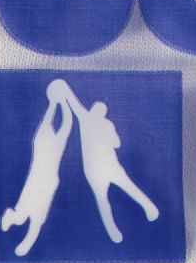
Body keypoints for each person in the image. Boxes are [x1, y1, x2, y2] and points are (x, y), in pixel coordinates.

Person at [51, 79, 159, 243]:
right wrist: (63, 88)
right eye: (97, 109)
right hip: (98, 169)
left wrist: (63, 89)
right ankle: (120, 227)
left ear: (101, 112)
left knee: (113, 195)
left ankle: (146, 211)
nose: (96, 111)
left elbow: (117, 143)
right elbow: (117, 143)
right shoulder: (93, 121)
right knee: (109, 196)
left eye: (99, 110)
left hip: (106, 167)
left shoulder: (96, 122)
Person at [0, 83, 74, 256]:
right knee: (29, 216)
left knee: (35, 217)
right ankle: (12, 219)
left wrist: (56, 103)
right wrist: (60, 103)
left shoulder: (45, 141)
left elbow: (62, 124)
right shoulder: (46, 141)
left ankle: (23, 239)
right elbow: (65, 123)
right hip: (39, 180)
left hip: (44, 181)